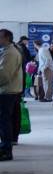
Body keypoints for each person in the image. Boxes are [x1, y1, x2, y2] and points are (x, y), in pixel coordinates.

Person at [0, 29, 24, 161]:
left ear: (7, 38)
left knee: (4, 121)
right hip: (7, 90)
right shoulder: (7, 52)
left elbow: (4, 75)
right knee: (4, 120)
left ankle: (6, 150)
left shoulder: (10, 53)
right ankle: (4, 146)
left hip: (7, 91)